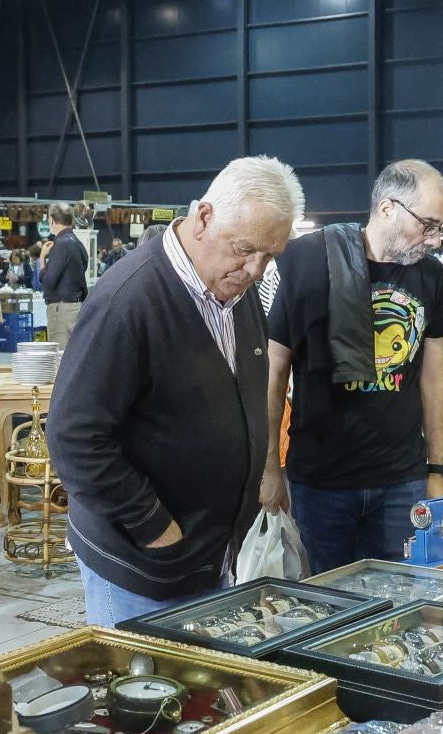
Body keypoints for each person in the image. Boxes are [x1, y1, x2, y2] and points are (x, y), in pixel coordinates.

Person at [50, 157, 303, 625]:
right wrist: (154, 528)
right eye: (246, 249)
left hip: (210, 560)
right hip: (143, 569)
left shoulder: (237, 291)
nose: (256, 269)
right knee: (143, 694)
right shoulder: (128, 300)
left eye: (270, 256)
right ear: (205, 217)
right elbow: (74, 437)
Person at [259, 159, 443, 574]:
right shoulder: (303, 262)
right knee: (325, 602)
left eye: (441, 227)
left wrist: (436, 469)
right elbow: (273, 374)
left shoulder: (432, 278)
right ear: (387, 208)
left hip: (401, 479)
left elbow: (434, 379)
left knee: (398, 600)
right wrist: (269, 469)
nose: (435, 239)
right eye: (428, 224)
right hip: (321, 480)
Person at [40, 204, 87, 343]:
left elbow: (48, 282)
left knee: (59, 357)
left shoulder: (61, 244)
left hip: (61, 310)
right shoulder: (78, 243)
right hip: (76, 306)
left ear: (51, 220)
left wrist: (42, 258)